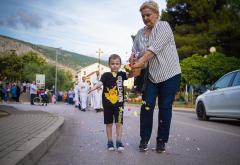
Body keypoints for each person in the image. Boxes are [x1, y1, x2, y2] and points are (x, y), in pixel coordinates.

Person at [129, 1, 181, 153]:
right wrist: (132, 61)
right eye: (143, 15)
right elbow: (135, 52)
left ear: (156, 14)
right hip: (151, 76)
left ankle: (161, 141)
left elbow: (152, 50)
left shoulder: (164, 26)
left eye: (148, 15)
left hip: (169, 74)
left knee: (165, 107)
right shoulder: (139, 33)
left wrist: (138, 62)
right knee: (147, 106)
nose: (145, 18)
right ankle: (144, 140)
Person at [89, 54, 130, 152]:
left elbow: (130, 74)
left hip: (119, 104)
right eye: (112, 64)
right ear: (109, 65)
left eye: (117, 64)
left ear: (120, 65)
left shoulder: (122, 74)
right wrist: (93, 88)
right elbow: (100, 83)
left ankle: (119, 141)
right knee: (109, 124)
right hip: (107, 105)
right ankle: (110, 141)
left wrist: (130, 66)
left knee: (119, 123)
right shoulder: (106, 75)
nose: (115, 65)